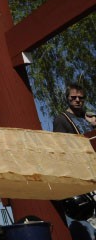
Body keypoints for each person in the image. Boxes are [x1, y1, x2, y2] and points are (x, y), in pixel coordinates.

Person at [53, 84, 96, 240]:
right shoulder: (62, 120)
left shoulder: (88, 117)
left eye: (80, 98)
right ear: (67, 98)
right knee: (88, 221)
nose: (77, 100)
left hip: (93, 168)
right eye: (73, 97)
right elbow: (61, 147)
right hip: (81, 174)